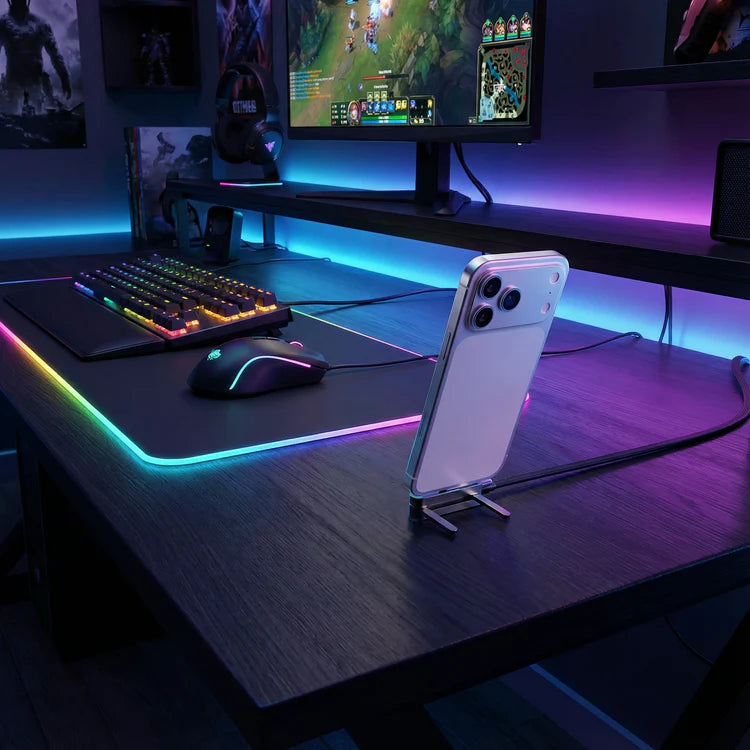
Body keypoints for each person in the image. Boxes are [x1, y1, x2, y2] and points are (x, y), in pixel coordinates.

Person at [0, 0, 71, 114]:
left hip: (34, 87)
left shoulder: (41, 24)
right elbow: (55, 54)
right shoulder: (3, 24)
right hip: (13, 90)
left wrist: (64, 77)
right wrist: (64, 78)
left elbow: (54, 54)